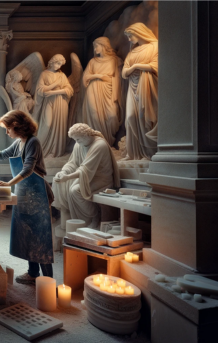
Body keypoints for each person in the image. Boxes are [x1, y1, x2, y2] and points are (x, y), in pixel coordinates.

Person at [0, 110, 54, 284]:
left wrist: (8, 184)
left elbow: (27, 169)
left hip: (37, 193)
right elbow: (0, 155)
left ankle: (48, 280)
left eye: (7, 129)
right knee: (27, 234)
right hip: (24, 191)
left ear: (16, 126)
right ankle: (33, 274)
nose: (7, 132)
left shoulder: (33, 142)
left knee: (40, 236)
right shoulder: (20, 142)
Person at [52, 123, 120, 229]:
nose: (77, 142)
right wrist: (63, 172)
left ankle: (94, 216)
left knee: (75, 191)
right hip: (86, 176)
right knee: (61, 184)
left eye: (78, 139)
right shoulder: (80, 144)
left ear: (86, 136)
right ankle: (74, 219)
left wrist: (68, 177)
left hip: (101, 179)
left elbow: (85, 168)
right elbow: (73, 163)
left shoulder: (99, 145)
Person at [121, 22, 158, 160]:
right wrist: (132, 68)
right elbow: (124, 72)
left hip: (147, 85)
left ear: (139, 32)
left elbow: (157, 65)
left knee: (144, 117)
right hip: (132, 86)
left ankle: (149, 153)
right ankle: (134, 153)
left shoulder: (155, 46)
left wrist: (137, 65)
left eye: (130, 36)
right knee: (131, 116)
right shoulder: (132, 52)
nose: (129, 39)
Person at [81, 37, 123, 146]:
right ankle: (97, 144)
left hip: (109, 91)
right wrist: (98, 76)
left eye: (96, 46)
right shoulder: (93, 61)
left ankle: (107, 144)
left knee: (112, 116)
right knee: (94, 116)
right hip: (93, 91)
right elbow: (85, 78)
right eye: (94, 47)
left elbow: (118, 79)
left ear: (104, 46)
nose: (95, 49)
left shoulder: (115, 60)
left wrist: (104, 78)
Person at [31, 54, 74, 158]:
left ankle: (54, 152)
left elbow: (70, 90)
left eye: (61, 64)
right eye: (58, 63)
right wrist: (54, 85)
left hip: (61, 103)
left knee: (59, 127)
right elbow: (40, 91)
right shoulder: (44, 74)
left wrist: (53, 92)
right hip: (49, 102)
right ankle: (38, 150)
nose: (59, 66)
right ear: (52, 62)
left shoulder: (62, 75)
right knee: (47, 124)